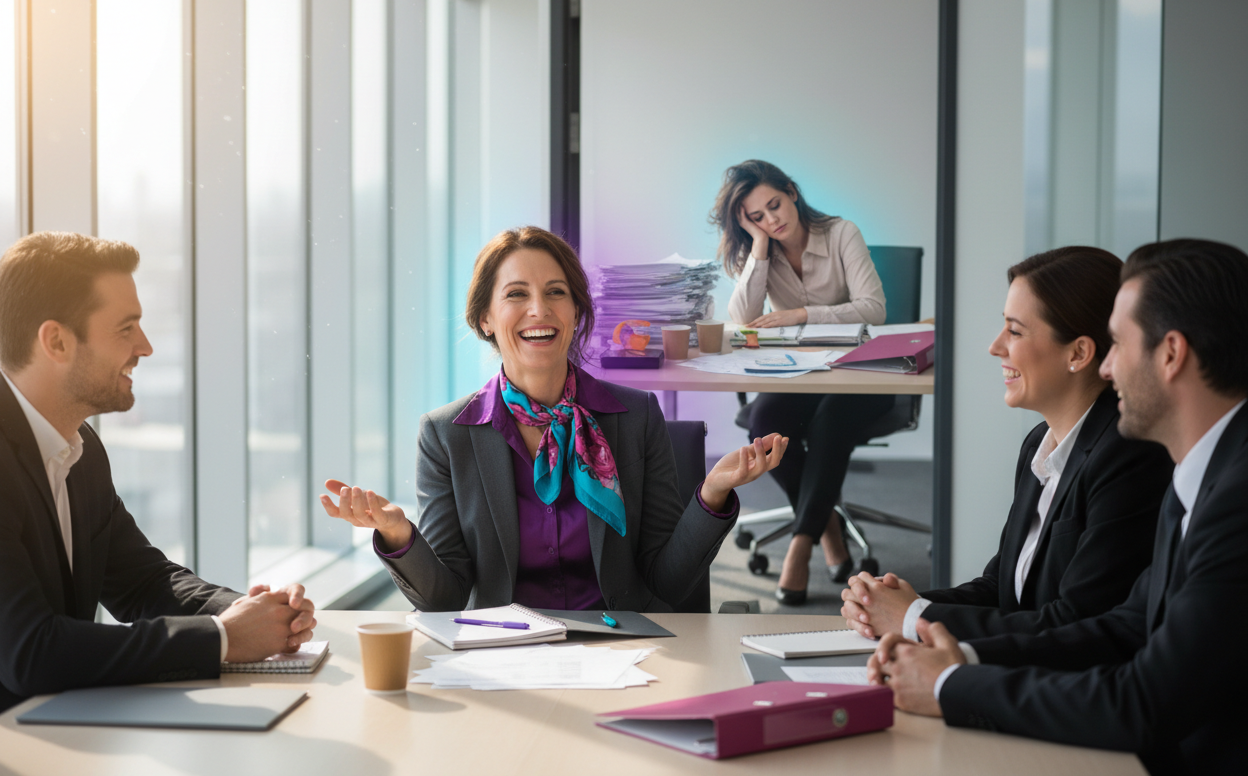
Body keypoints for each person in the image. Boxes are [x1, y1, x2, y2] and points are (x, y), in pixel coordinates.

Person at [868, 239, 1248, 774]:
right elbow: (1126, 627)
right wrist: (954, 658)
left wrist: (951, 682)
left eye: (1117, 344)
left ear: (1170, 354)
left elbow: (1145, 700)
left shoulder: (1233, 499)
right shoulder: (1200, 472)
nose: (1109, 368)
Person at [321, 226, 788, 612]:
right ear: (485, 318)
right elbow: (445, 597)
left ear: (576, 311)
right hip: (506, 656)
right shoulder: (446, 435)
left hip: (621, 648)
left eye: (556, 293)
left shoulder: (636, 416)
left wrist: (712, 494)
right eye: (516, 294)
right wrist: (399, 534)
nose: (539, 310)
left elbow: (665, 582)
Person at [0, 232, 316, 713]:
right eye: (126, 328)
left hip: (53, 731)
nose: (144, 347)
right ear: (57, 341)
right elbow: (29, 651)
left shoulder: (80, 450)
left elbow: (142, 583)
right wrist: (222, 638)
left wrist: (254, 615)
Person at [840, 247, 1171, 640]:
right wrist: (892, 606)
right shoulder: (1040, 446)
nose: (996, 346)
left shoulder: (1127, 458)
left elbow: (1075, 623)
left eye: (1014, 331)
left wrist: (912, 618)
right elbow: (1003, 589)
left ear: (1079, 353)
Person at [714, 159, 890, 605]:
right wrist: (758, 246)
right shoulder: (765, 247)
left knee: (832, 422)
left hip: (862, 374)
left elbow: (874, 309)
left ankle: (801, 543)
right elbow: (742, 320)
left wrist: (803, 314)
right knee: (764, 420)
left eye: (774, 205)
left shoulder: (841, 233)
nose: (772, 219)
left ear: (791, 191)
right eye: (757, 216)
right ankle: (825, 521)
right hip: (803, 374)